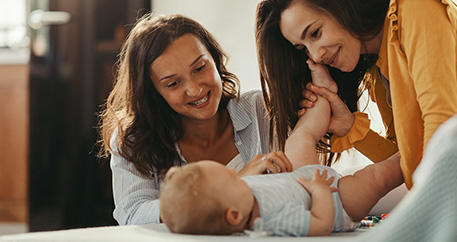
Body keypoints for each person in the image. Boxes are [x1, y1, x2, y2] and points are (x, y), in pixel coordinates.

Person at [159, 60, 403, 236]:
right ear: (234, 215)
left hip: (300, 176)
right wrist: (319, 192)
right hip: (336, 201)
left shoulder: (237, 195)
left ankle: (324, 92)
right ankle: (417, 154)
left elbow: (254, 183)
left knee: (299, 138)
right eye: (233, 180)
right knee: (376, 177)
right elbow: (320, 225)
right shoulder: (272, 220)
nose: (239, 176)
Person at [97, 13, 293, 225]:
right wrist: (235, 183)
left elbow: (302, 186)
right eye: (173, 84)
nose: (195, 89)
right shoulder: (134, 139)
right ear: (154, 92)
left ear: (215, 59)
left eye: (200, 68)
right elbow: (133, 215)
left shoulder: (262, 110)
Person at [255, 0, 457, 189]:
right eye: (303, 49)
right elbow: (408, 161)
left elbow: (442, 123)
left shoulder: (416, 8)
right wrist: (349, 125)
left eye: (315, 33)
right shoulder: (378, 74)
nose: (316, 55)